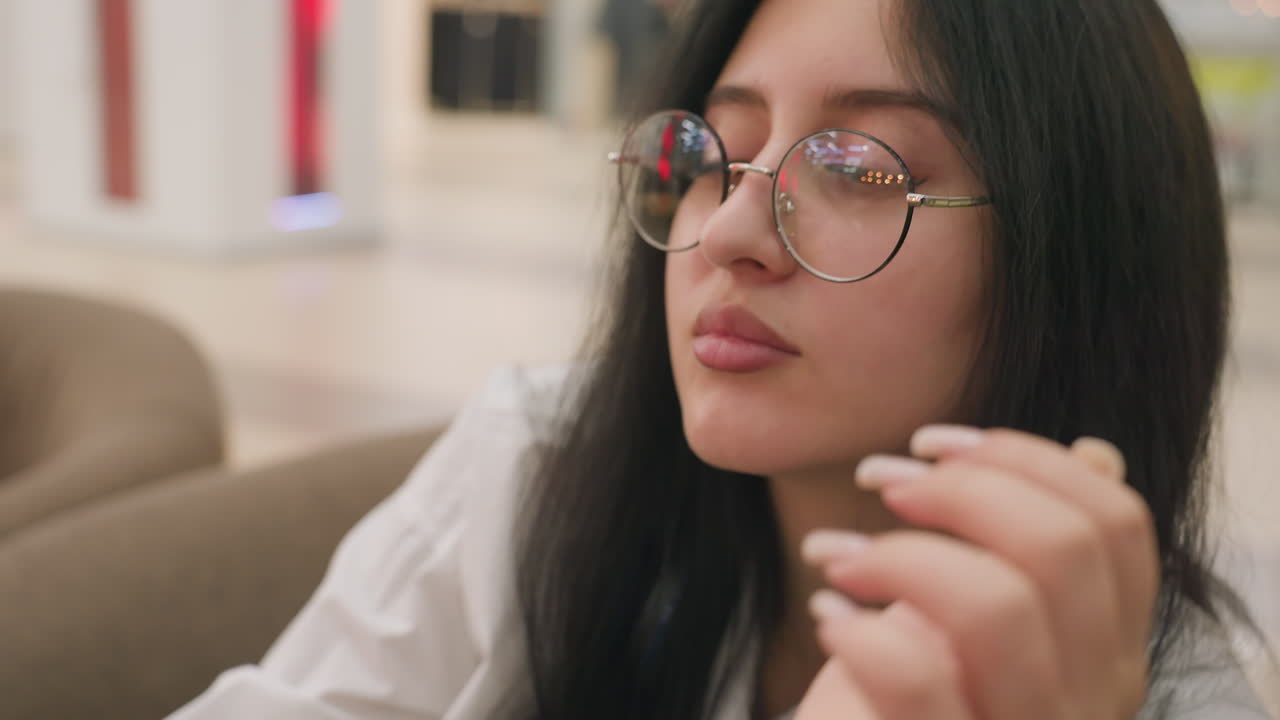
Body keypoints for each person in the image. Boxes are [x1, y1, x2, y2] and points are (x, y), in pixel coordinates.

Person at [170, 0, 1276, 718]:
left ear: (1076, 255)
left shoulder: (1151, 693)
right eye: (717, 153)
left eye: (859, 167)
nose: (729, 231)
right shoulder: (544, 465)